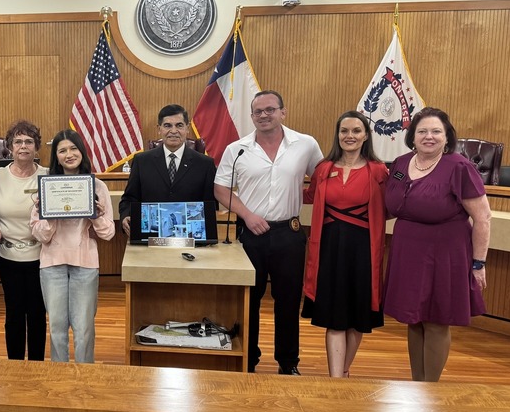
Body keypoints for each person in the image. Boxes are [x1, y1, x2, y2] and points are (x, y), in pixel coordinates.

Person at [214, 90, 324, 374]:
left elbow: (322, 179)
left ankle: (288, 364)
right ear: (251, 117)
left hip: (289, 233)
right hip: (251, 234)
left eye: (270, 109)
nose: (264, 115)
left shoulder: (306, 144)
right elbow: (220, 189)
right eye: (258, 112)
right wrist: (247, 215)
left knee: (287, 302)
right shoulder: (237, 149)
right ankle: (248, 359)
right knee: (249, 300)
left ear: (282, 112)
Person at [383, 107, 492, 382]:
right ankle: (416, 383)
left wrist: (479, 264)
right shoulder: (399, 164)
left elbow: (483, 218)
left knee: (436, 320)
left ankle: (430, 388)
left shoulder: (459, 167)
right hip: (408, 251)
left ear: (447, 137)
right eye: (422, 131)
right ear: (412, 136)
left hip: (445, 254)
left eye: (436, 132)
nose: (428, 137)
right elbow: (389, 202)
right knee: (414, 317)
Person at [301, 111, 388, 377]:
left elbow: (391, 206)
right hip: (329, 249)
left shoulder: (379, 171)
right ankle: (335, 379)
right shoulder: (324, 169)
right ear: (338, 135)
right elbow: (308, 196)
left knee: (357, 321)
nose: (349, 136)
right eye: (344, 131)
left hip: (363, 251)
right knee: (335, 317)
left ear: (366, 136)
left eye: (356, 131)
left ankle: (344, 370)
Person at [31, 129, 115, 363]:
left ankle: (85, 377)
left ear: (82, 151)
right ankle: (61, 379)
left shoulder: (97, 187)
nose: (69, 154)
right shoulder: (46, 187)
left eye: (73, 148)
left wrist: (96, 216)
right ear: (56, 157)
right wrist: (50, 213)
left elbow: (108, 233)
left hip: (85, 264)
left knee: (84, 329)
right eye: (62, 150)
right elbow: (40, 234)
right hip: (52, 264)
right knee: (57, 330)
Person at [0, 120, 48, 360]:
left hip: (41, 256)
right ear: (10, 147)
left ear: (37, 147)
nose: (23, 146)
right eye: (18, 141)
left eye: (28, 141)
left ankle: (36, 364)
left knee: (36, 313)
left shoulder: (48, 176)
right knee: (13, 313)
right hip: (8, 255)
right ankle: (13, 364)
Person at [119, 104, 217, 235]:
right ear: (159, 129)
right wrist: (125, 215)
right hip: (150, 238)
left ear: (187, 128)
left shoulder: (205, 164)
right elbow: (129, 199)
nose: (174, 131)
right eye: (167, 125)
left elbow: (210, 205)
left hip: (191, 239)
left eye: (179, 125)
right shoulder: (141, 161)